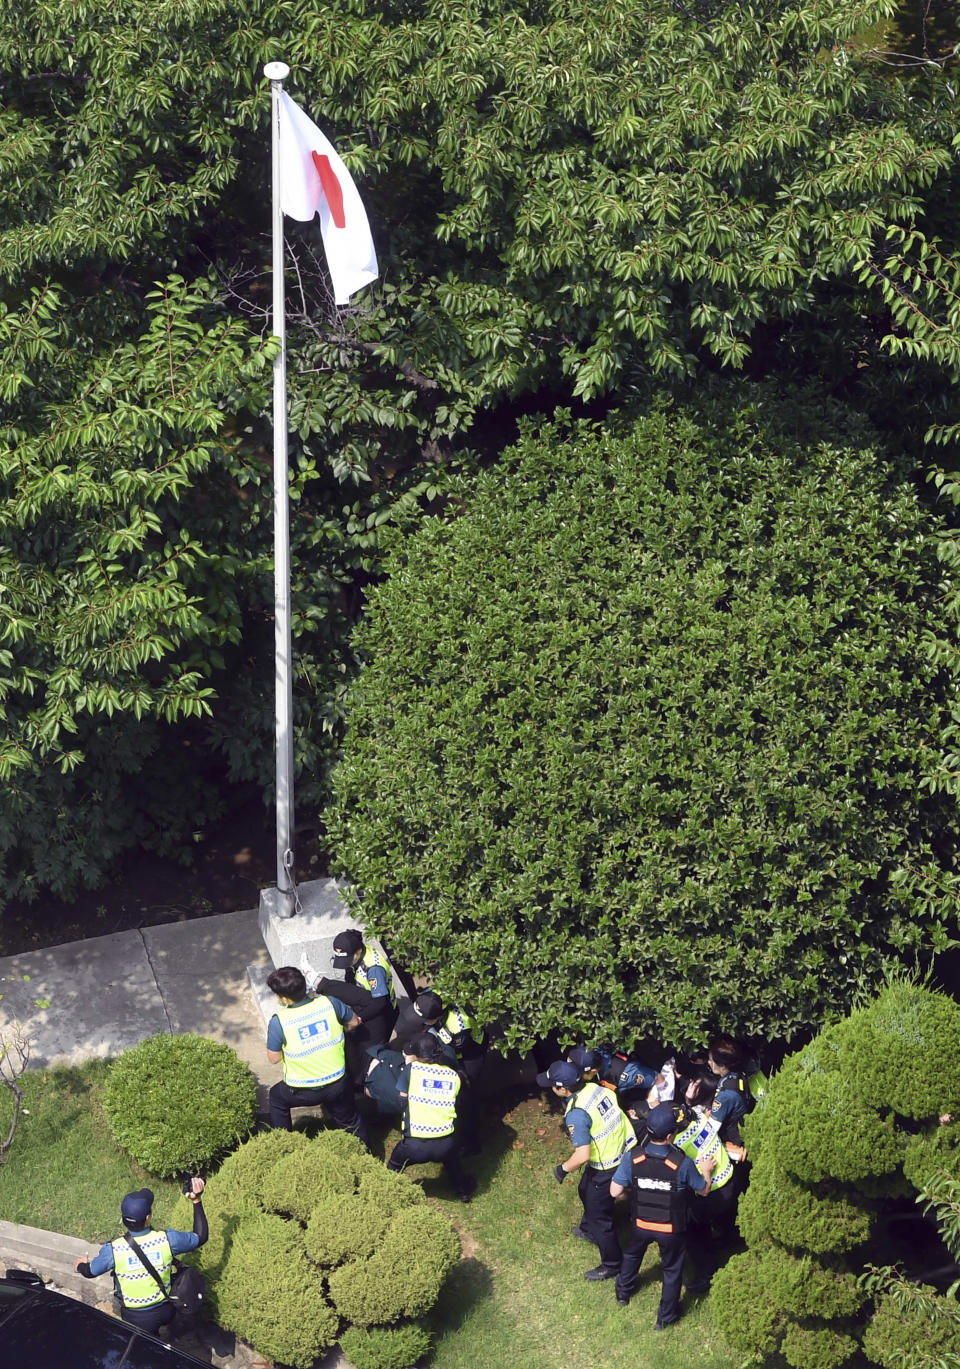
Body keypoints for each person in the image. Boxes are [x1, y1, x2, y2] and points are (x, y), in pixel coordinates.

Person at [610, 1103, 716, 1328]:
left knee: (631, 1257)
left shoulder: (634, 1158)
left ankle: (622, 1293)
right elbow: (703, 1190)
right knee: (671, 1270)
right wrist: (706, 1170)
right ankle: (665, 1318)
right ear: (670, 1136)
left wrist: (635, 1196)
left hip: (640, 1223)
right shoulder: (682, 1164)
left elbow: (615, 1191)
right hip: (670, 1229)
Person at [537, 1059, 636, 1281]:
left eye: (553, 1085)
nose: (552, 1089)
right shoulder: (595, 1088)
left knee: (600, 1217)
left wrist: (562, 1169)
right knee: (584, 1189)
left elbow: (583, 1155)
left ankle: (612, 1263)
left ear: (562, 1088)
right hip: (623, 1150)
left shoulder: (577, 1113)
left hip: (606, 1165)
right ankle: (588, 1228)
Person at [74, 1181, 208, 1335]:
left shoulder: (114, 1250)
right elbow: (201, 1236)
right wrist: (196, 1200)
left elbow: (90, 1271)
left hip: (136, 1318)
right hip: (167, 1309)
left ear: (123, 1219)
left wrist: (80, 1265)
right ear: (148, 1217)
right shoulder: (168, 1240)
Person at [265, 965, 369, 1146]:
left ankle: (285, 1145)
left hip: (302, 1090)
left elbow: (273, 1058)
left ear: (283, 998)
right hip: (338, 1082)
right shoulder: (330, 1003)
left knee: (276, 1098)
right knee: (350, 1121)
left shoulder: (279, 1022)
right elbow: (353, 1022)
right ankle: (367, 1156)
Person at [386, 1032, 477, 1201]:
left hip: (415, 1145)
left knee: (395, 1163)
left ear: (416, 1055)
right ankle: (463, 1191)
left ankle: (386, 1193)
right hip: (446, 1142)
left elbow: (402, 1098)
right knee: (452, 1161)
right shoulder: (453, 1076)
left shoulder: (411, 1070)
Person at [304, 928, 399, 1082]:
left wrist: (359, 1018)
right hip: (365, 1004)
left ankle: (365, 1085)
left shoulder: (374, 969)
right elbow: (352, 984)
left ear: (358, 951)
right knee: (354, 1044)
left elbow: (380, 1002)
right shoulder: (356, 958)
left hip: (380, 1011)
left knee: (369, 1054)